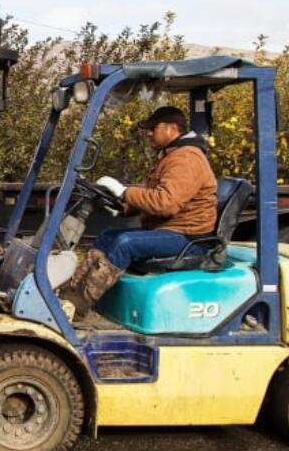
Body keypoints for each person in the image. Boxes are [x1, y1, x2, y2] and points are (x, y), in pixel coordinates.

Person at [64, 105, 218, 316]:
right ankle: (72, 294)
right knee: (108, 237)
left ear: (172, 128)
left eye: (154, 128)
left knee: (125, 243)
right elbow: (155, 196)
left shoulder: (186, 158)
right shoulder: (172, 155)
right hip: (170, 230)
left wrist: (126, 192)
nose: (149, 133)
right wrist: (123, 207)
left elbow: (166, 203)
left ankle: (77, 307)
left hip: (188, 238)